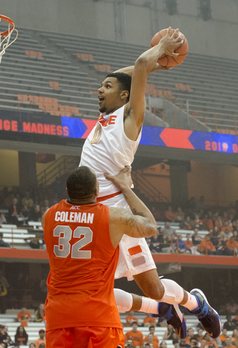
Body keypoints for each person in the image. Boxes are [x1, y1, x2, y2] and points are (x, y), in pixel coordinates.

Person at [78, 28, 221, 339]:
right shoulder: (105, 119)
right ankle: (163, 310)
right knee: (89, 293)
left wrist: (159, 53)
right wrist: (161, 63)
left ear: (125, 96)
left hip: (119, 216)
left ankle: (197, 304)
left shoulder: (130, 119)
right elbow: (136, 70)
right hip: (94, 219)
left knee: (154, 288)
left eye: (107, 86)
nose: (99, 90)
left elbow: (139, 68)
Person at [42, 166, 158, 346]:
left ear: (67, 191)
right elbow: (150, 226)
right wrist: (125, 187)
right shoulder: (112, 218)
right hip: (98, 316)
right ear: (97, 191)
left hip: (59, 316)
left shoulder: (48, 216)